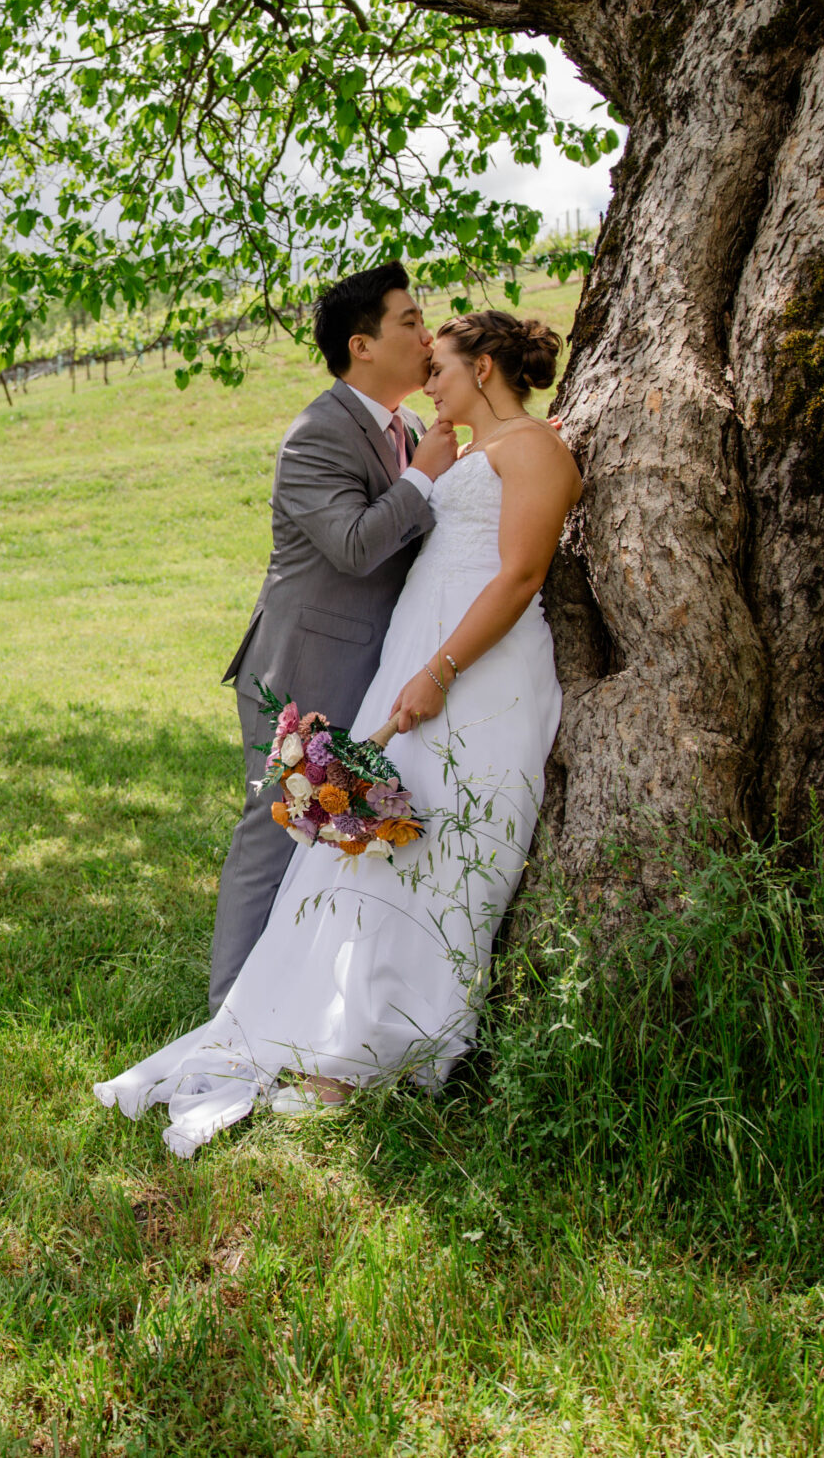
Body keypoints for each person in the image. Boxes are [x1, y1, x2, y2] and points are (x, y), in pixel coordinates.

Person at [96, 306, 581, 1158]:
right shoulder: (456, 452)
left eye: (445, 364)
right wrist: (416, 669)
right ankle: (332, 1027)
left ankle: (394, 1040)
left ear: (489, 368)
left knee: (449, 855)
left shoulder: (536, 448)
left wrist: (441, 670)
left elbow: (520, 575)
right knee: (387, 848)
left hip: (480, 672)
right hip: (418, 665)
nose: (431, 376)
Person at [203, 263, 457, 1014]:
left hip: (374, 667)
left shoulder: (405, 430)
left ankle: (303, 1001)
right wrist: (425, 480)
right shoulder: (317, 433)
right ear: (363, 344)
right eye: (410, 320)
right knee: (275, 825)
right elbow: (351, 545)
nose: (426, 331)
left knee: (341, 832)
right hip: (301, 665)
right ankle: (227, 1013)